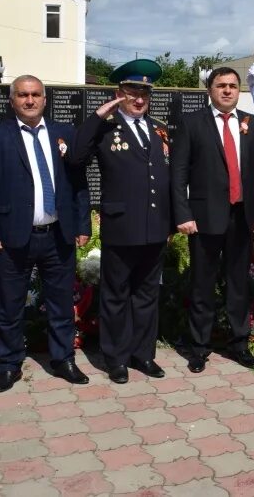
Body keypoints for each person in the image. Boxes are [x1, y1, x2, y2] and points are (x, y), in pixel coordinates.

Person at [0, 75, 91, 393]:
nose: (29, 100)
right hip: (13, 237)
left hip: (58, 235)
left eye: (35, 94)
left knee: (60, 303)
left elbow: (79, 183)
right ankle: (10, 365)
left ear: (44, 98)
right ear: (12, 100)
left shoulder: (64, 133)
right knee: (10, 307)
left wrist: (83, 225)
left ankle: (63, 359)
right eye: (23, 95)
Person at [71, 60, 173, 384]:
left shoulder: (158, 129)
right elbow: (74, 157)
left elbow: (165, 178)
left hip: (155, 227)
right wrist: (99, 115)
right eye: (132, 92)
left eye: (144, 92)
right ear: (120, 93)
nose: (139, 98)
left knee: (147, 295)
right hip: (121, 225)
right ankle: (115, 358)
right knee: (115, 296)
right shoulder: (106, 128)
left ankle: (143, 354)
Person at [170, 67, 254, 373]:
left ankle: (239, 343)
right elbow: (178, 174)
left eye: (232, 86)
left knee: (238, 285)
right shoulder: (192, 123)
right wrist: (183, 214)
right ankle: (199, 347)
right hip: (203, 220)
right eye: (220, 85)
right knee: (202, 285)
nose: (227, 90)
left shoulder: (253, 124)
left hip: (242, 217)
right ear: (210, 90)